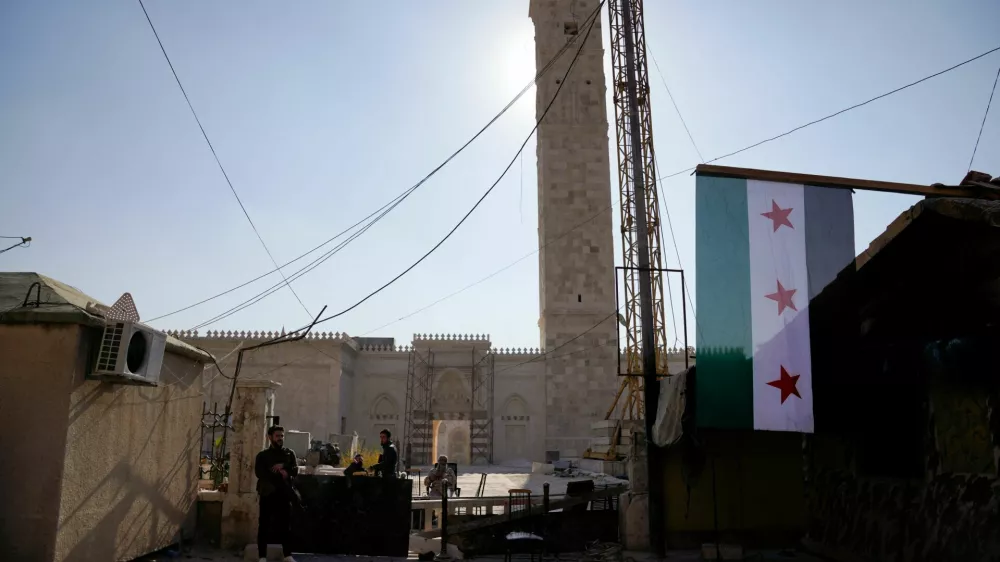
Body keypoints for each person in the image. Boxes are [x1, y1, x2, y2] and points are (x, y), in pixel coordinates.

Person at [254, 425, 298, 562]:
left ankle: (287, 555)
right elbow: (260, 473)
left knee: (286, 525)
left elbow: (295, 470)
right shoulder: (262, 456)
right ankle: (262, 556)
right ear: (270, 437)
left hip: (284, 494)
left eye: (282, 436)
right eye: (277, 436)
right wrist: (279, 473)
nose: (280, 439)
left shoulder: (289, 454)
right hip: (268, 494)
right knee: (264, 526)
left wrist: (284, 467)